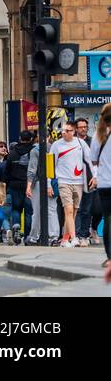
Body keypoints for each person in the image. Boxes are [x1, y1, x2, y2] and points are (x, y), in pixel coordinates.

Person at [45, 122, 91, 247]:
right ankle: (74, 238)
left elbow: (90, 160)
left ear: (74, 131)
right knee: (69, 210)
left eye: (68, 130)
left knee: (73, 212)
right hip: (63, 181)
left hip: (79, 182)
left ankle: (65, 239)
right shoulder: (56, 145)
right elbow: (50, 165)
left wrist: (96, 176)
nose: (64, 132)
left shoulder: (81, 143)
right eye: (63, 130)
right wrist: (49, 183)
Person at [89, 103, 111, 268]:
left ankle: (110, 257)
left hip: (104, 184)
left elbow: (94, 160)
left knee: (109, 219)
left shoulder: (98, 136)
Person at [6, 130, 34, 242]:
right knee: (29, 211)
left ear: (20, 138)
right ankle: (27, 236)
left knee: (16, 209)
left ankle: (16, 226)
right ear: (31, 139)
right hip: (29, 185)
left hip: (15, 184)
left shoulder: (12, 153)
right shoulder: (33, 151)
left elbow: (7, 170)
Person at [74, 117, 96, 245]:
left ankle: (84, 235)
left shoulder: (93, 142)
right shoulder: (72, 142)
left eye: (85, 127)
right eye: (81, 127)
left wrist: (95, 177)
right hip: (74, 180)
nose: (83, 129)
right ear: (76, 129)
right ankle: (75, 234)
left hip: (89, 179)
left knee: (87, 209)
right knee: (76, 208)